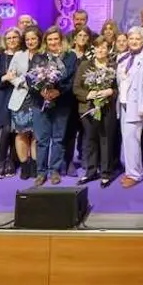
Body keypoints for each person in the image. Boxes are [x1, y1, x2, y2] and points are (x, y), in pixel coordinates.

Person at [29, 26, 77, 186]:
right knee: (42, 139)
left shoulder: (70, 56)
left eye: (56, 39)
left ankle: (54, 170)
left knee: (58, 138)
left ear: (61, 39)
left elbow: (72, 79)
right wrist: (41, 91)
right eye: (50, 39)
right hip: (40, 103)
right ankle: (41, 172)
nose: (53, 42)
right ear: (45, 41)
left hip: (62, 103)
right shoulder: (39, 56)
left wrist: (59, 91)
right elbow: (30, 79)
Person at [74, 36, 119, 186]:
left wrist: (110, 91)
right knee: (90, 139)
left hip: (107, 108)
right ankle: (91, 171)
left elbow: (120, 88)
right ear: (93, 49)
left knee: (106, 139)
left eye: (104, 47)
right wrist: (88, 95)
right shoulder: (84, 65)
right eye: (97, 47)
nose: (100, 50)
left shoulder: (114, 66)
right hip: (88, 109)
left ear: (109, 49)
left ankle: (106, 172)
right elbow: (76, 88)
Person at [117, 27, 143, 188]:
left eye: (138, 39)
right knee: (127, 140)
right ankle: (130, 170)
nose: (134, 42)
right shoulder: (122, 57)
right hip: (123, 103)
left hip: (137, 105)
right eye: (131, 38)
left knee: (133, 140)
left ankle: (135, 174)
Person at [7, 26, 41, 179]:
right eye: (27, 39)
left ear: (39, 39)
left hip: (38, 100)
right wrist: (22, 82)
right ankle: (24, 165)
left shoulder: (44, 56)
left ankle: (34, 164)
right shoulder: (19, 55)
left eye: (33, 38)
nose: (30, 41)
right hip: (21, 99)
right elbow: (10, 75)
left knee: (36, 133)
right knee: (21, 133)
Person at [0, 28, 22, 179]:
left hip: (20, 95)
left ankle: (12, 161)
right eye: (9, 38)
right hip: (2, 96)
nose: (12, 40)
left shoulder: (24, 55)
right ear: (5, 40)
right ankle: (2, 161)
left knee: (16, 130)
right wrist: (5, 78)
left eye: (15, 37)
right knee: (5, 129)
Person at [63, 25, 94, 175]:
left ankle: (85, 159)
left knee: (86, 131)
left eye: (85, 36)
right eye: (79, 35)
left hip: (86, 99)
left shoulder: (91, 56)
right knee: (70, 132)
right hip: (69, 99)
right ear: (74, 38)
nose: (82, 38)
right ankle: (68, 162)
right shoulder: (68, 55)